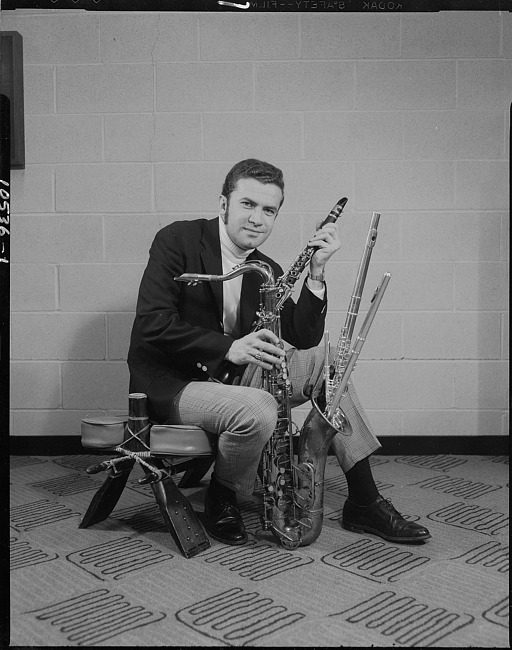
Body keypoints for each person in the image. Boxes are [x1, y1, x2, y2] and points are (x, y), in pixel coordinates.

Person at [128, 159, 431, 547]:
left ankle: (364, 500)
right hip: (177, 385)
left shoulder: (265, 267)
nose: (258, 219)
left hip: (237, 379)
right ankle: (224, 496)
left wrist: (316, 273)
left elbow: (303, 336)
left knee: (328, 361)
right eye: (248, 204)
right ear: (224, 204)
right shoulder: (177, 240)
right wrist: (230, 347)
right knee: (258, 408)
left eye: (269, 210)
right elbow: (153, 323)